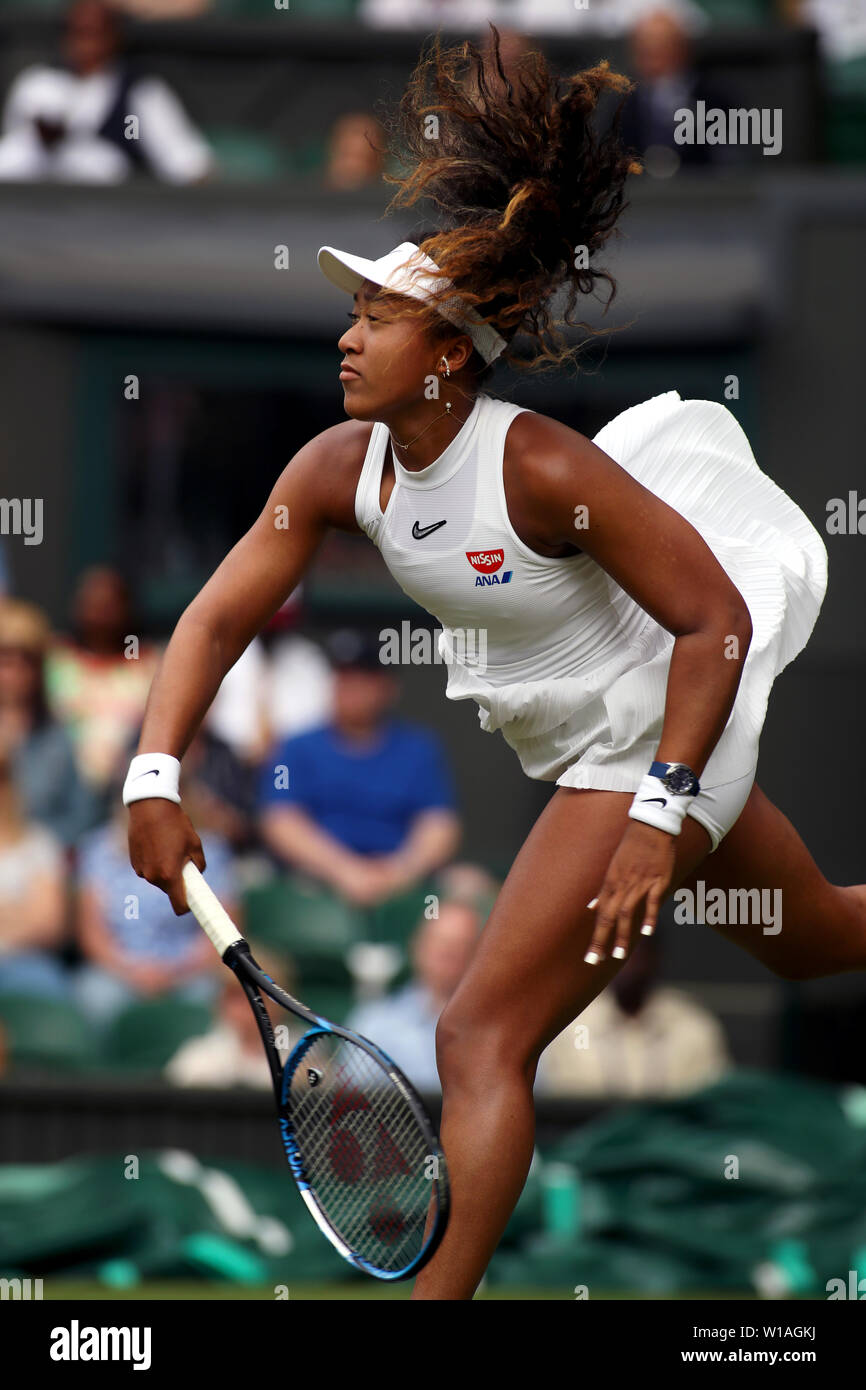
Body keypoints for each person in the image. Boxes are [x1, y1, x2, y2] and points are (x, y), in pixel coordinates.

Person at [125, 26, 860, 1303]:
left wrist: (656, 809)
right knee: (811, 942)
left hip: (659, 729)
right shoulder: (332, 470)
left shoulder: (540, 471)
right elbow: (212, 619)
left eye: (379, 316)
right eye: (350, 310)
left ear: (449, 354)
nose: (348, 336)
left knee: (475, 1034)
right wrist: (151, 769)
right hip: (620, 743)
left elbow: (713, 625)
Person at [258, 628, 460, 907]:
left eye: (362, 679)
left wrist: (400, 871)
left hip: (401, 882)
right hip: (315, 883)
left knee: (466, 891)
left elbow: (440, 826)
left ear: (388, 687)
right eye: (343, 678)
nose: (350, 688)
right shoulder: (295, 748)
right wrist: (344, 870)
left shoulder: (419, 749)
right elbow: (280, 821)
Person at [0, 0, 214, 185]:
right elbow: (16, 151)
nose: (83, 44)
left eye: (92, 33)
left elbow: (184, 162)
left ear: (113, 37)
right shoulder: (37, 84)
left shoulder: (136, 96)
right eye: (76, 32)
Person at [536, 928, 731, 1096]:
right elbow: (560, 1105)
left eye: (639, 952)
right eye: (621, 952)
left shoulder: (694, 1026)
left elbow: (712, 1104)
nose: (631, 964)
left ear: (656, 956)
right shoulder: (572, 1027)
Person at [46, 566, 159, 804]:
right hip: (61, 790)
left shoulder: (148, 664)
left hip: (128, 790)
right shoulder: (53, 660)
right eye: (92, 603)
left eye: (108, 604)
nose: (99, 613)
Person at [347, 896, 484, 1092]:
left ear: (477, 955)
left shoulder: (499, 1030)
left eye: (462, 945)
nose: (449, 954)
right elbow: (355, 1105)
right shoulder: (374, 1024)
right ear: (418, 947)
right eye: (441, 943)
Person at [0, 599, 97, 848]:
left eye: (27, 660)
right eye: (6, 659)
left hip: (43, 874)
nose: (16, 672)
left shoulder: (57, 737)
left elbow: (82, 818)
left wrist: (35, 850)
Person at [0, 741, 68, 1000]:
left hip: (26, 965)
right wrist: (16, 911)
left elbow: (49, 925)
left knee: (46, 990)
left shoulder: (38, 843)